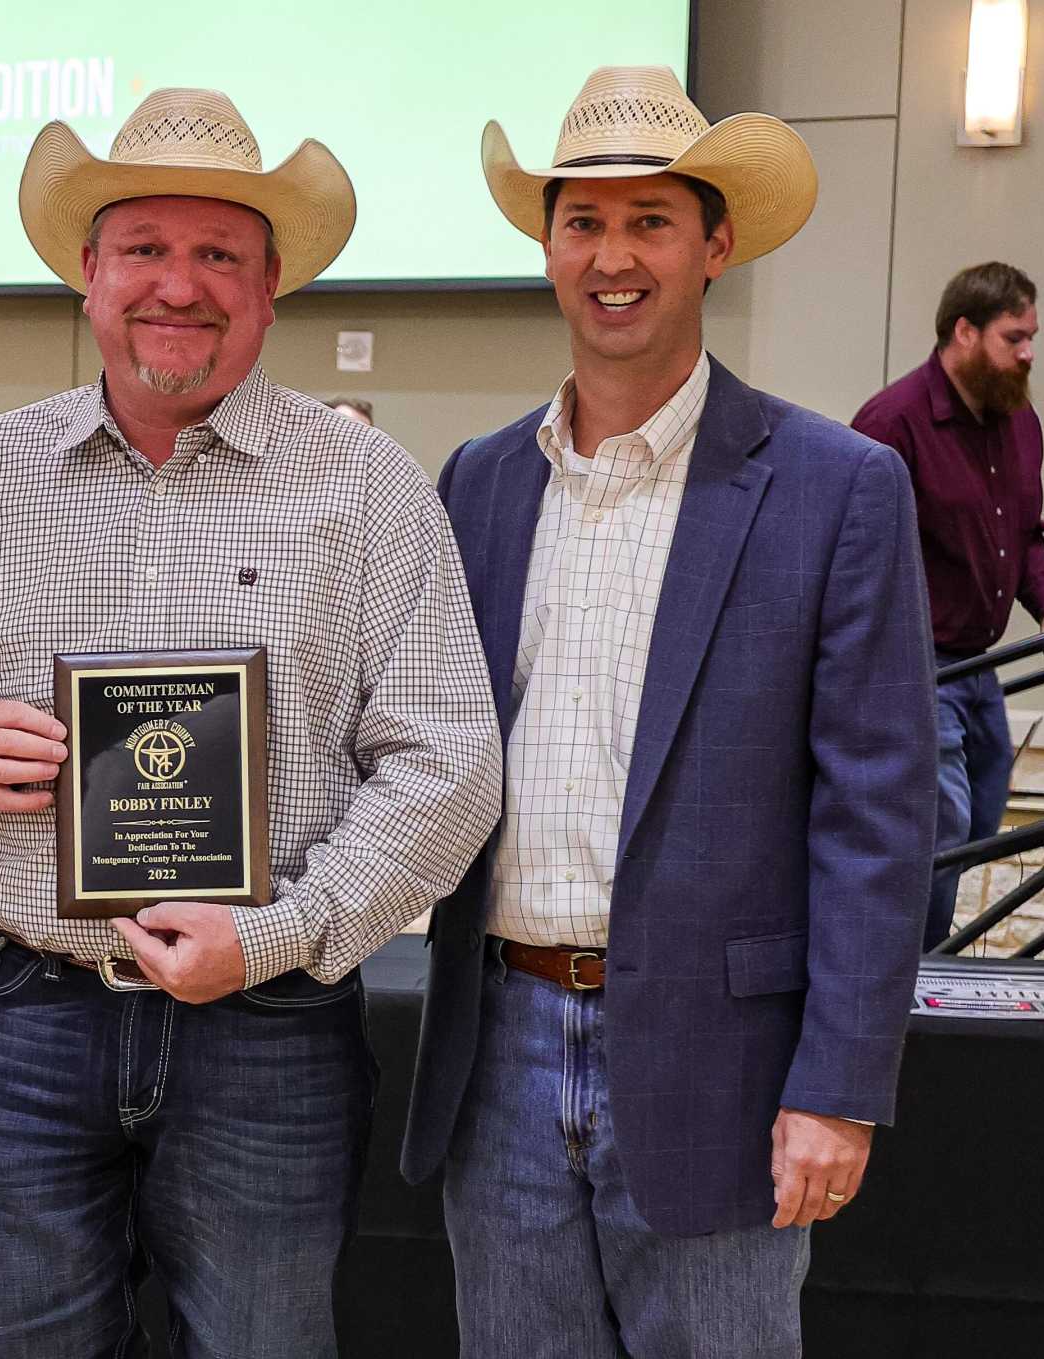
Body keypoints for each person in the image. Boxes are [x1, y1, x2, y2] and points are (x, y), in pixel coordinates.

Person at [0, 88, 500, 1358]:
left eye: (219, 253)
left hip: (266, 1035)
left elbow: (444, 768)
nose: (180, 285)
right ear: (86, 272)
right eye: (146, 250)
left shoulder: (367, 489)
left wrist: (277, 935)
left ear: (271, 286)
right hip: (27, 1022)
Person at [400, 67, 938, 1357]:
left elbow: (878, 812)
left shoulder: (835, 486)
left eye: (649, 220)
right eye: (581, 221)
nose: (612, 256)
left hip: (727, 1066)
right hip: (500, 1048)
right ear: (545, 249)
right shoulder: (477, 483)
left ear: (714, 243)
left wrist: (839, 1089)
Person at [852, 261, 1044, 949]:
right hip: (913, 663)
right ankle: (911, 972)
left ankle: (925, 957)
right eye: (1015, 337)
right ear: (964, 331)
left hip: (976, 664)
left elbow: (1026, 534)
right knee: (940, 822)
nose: (1029, 352)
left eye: (1032, 335)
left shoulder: (1019, 423)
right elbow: (851, 551)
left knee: (979, 822)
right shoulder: (891, 423)